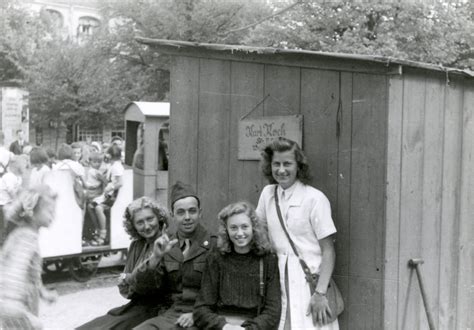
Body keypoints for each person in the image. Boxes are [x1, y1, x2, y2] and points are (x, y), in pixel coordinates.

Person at [256, 137, 339, 329]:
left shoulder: (315, 199)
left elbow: (328, 250)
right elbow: (259, 234)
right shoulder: (268, 194)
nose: (281, 170)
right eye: (276, 164)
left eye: (288, 164)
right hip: (276, 281)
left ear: (298, 166)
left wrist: (320, 294)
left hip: (309, 283)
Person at [77, 197, 172, 330]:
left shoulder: (168, 244)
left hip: (158, 311)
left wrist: (130, 278)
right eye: (140, 222)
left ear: (159, 218)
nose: (147, 226)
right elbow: (126, 290)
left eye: (150, 219)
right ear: (133, 226)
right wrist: (130, 280)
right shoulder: (136, 245)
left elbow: (152, 286)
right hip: (136, 306)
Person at [134, 181, 216, 329]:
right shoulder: (167, 245)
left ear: (200, 212)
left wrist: (198, 314)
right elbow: (143, 289)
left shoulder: (214, 245)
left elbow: (222, 292)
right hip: (171, 315)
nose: (187, 217)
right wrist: (155, 258)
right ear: (172, 215)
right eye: (180, 212)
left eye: (192, 211)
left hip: (203, 317)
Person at [193, 201, 281, 330]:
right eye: (233, 228)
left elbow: (272, 311)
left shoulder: (267, 259)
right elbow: (202, 308)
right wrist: (224, 327)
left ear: (254, 228)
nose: (239, 233)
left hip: (253, 326)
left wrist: (249, 329)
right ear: (226, 230)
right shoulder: (216, 257)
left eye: (244, 227)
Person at [0, 185, 58, 329]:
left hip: (19, 300)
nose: (53, 215)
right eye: (50, 211)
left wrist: (44, 293)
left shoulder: (22, 233)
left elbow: (32, 273)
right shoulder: (27, 237)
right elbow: (16, 267)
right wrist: (12, 303)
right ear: (32, 212)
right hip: (15, 302)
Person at [91, 144, 124, 246]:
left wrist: (111, 187)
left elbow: (120, 183)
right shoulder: (112, 166)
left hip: (113, 197)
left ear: (109, 156)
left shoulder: (117, 167)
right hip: (108, 195)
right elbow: (109, 180)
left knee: (98, 209)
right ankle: (97, 229)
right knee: (90, 205)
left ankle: (103, 234)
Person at [0, 155, 28, 245]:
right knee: (6, 225)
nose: (25, 168)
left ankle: (9, 239)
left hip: (9, 204)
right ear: (17, 167)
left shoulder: (17, 177)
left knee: (10, 224)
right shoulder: (9, 176)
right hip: (4, 204)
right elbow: (11, 190)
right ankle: (5, 242)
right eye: (24, 166)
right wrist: (18, 201)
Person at [83, 151, 106, 245]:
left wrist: (102, 191)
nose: (97, 164)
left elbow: (104, 182)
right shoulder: (91, 171)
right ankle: (96, 228)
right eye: (95, 162)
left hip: (96, 194)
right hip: (92, 192)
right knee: (89, 207)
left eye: (99, 162)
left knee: (92, 206)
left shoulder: (97, 172)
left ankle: (101, 230)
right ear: (90, 162)